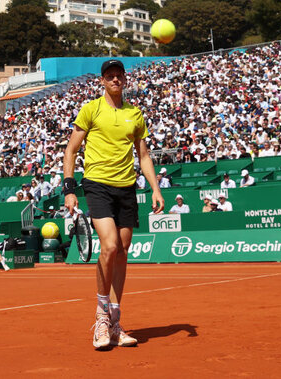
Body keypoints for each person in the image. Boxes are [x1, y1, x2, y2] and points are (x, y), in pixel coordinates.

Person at [63, 59, 164, 350]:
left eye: (119, 75)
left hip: (127, 187)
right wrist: (69, 190)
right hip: (97, 184)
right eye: (110, 76)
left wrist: (155, 189)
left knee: (122, 251)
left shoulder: (136, 114)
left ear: (125, 79)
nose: (115, 79)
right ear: (103, 81)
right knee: (108, 246)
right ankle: (101, 317)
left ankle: (116, 320)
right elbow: (71, 150)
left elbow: (143, 156)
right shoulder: (91, 109)